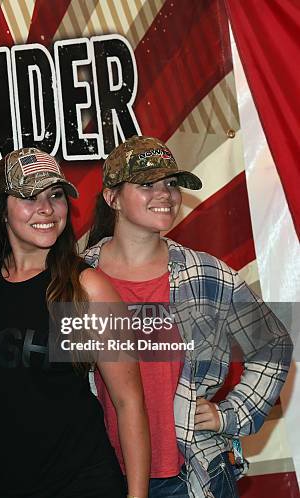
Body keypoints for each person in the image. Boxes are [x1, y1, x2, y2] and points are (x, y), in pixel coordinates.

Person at [82, 135, 293, 498]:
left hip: (191, 472)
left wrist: (230, 413)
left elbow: (273, 343)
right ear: (112, 197)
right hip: (101, 471)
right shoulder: (77, 277)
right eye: (147, 184)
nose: (164, 194)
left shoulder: (205, 275)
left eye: (171, 184)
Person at [0, 147, 150, 497]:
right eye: (28, 197)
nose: (46, 208)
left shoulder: (85, 287)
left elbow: (129, 402)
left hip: (80, 483)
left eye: (55, 195)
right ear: (1, 210)